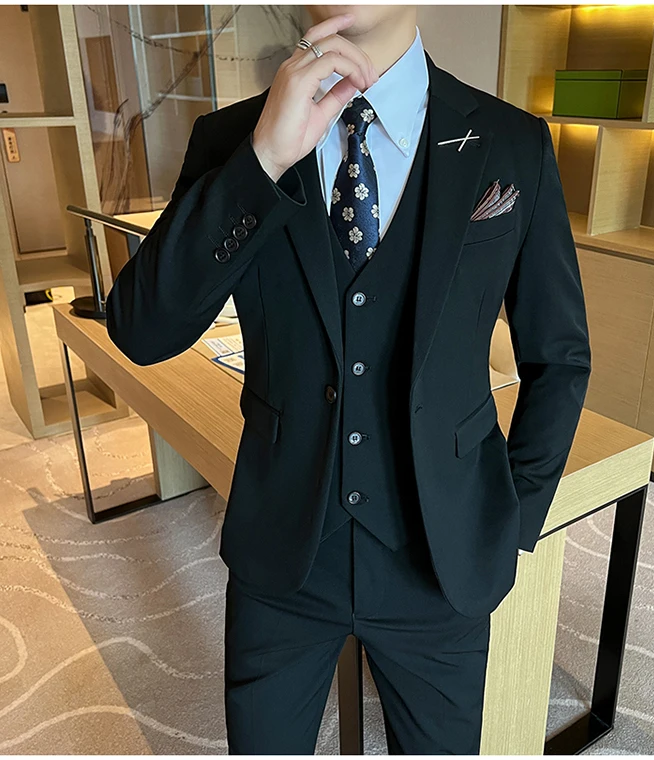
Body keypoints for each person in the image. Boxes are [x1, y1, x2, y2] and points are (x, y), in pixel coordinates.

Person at [106, 4, 592, 754]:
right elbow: (141, 331)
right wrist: (261, 162)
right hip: (282, 553)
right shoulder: (233, 140)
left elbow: (559, 358)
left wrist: (512, 520)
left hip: (444, 558)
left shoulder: (511, 142)